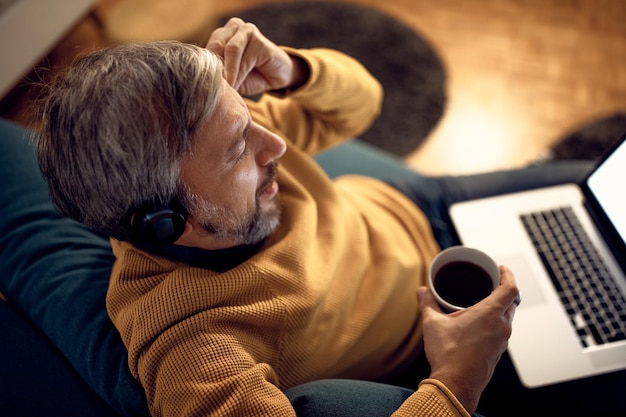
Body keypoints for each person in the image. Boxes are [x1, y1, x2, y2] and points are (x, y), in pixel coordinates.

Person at [34, 18, 592, 417]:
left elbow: (363, 104)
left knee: (596, 187)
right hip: (439, 329)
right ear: (164, 222)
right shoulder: (194, 346)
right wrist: (456, 379)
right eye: (236, 151)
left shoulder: (241, 143)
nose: (275, 143)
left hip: (420, 206)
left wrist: (292, 69)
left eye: (248, 117)